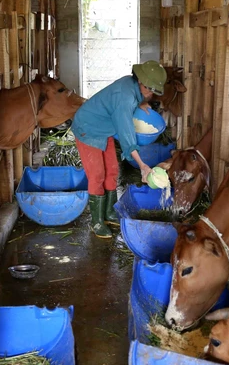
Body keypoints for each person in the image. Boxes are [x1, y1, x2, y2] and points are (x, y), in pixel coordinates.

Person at [71, 60, 167, 239]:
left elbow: (128, 102)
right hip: (88, 128)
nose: (151, 94)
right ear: (142, 83)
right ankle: (97, 221)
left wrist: (141, 103)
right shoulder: (124, 99)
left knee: (112, 170)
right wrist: (142, 166)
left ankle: (109, 213)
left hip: (104, 128)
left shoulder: (131, 86)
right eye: (150, 89)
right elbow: (126, 136)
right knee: (97, 174)